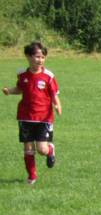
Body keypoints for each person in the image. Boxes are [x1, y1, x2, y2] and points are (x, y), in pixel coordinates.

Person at [2, 41, 61, 185]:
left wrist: (57, 105)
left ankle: (50, 149)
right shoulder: (22, 74)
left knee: (41, 149)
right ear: (28, 57)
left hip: (43, 118)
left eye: (43, 57)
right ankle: (32, 176)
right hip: (25, 116)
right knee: (28, 148)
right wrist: (9, 91)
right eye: (37, 57)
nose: (40, 60)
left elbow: (54, 94)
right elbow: (20, 89)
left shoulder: (48, 76)